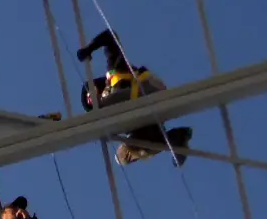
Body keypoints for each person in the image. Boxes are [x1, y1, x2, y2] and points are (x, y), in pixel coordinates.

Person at [76, 28, 193, 167]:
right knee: (122, 156)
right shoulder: (111, 111)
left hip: (145, 93)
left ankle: (172, 140)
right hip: (146, 120)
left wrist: (90, 48)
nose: (92, 101)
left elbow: (110, 36)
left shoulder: (115, 71)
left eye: (90, 97)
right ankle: (176, 139)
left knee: (104, 107)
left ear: (95, 87)